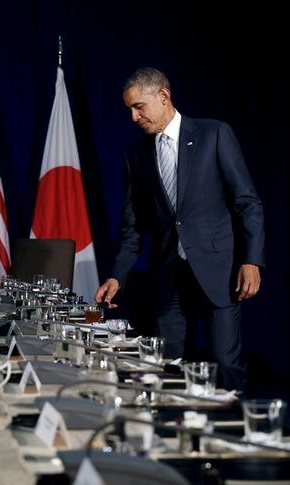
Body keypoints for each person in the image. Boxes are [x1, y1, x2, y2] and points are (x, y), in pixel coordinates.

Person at [94, 67, 265, 392]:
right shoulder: (136, 157)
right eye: (129, 109)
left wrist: (251, 260)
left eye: (138, 107)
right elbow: (133, 228)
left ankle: (237, 435)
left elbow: (247, 202)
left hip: (219, 272)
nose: (133, 117)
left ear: (163, 96)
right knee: (163, 362)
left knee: (225, 362)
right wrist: (117, 276)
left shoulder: (214, 134)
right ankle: (169, 434)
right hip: (169, 276)